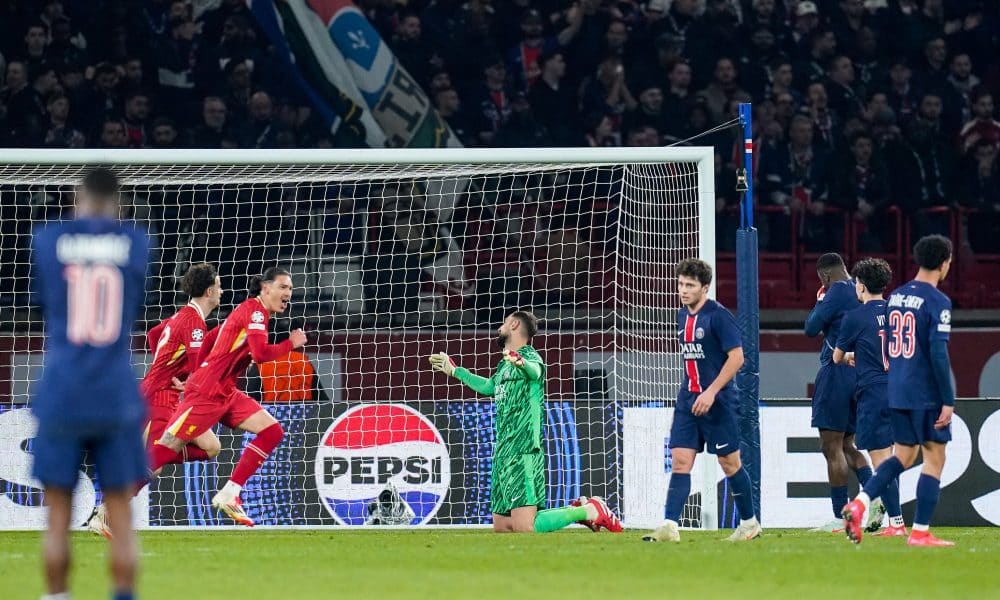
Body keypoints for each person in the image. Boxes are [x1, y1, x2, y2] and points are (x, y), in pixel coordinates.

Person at [31, 168, 149, 600]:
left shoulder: (47, 240)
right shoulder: (137, 243)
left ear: (77, 196)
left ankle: (58, 597)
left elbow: (45, 304)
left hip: (63, 390)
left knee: (58, 514)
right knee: (119, 510)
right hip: (116, 393)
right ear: (118, 201)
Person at [428, 311, 622, 534]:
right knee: (502, 527)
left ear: (514, 324)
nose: (499, 327)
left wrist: (521, 362)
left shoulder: (531, 357)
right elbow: (489, 387)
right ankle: (575, 509)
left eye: (503, 322)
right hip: (503, 450)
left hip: (524, 448)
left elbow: (535, 371)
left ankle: (590, 510)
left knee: (525, 527)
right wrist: (456, 371)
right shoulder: (504, 365)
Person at [147, 267, 307, 526]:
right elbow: (261, 354)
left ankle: (230, 493)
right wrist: (291, 343)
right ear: (266, 288)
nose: (288, 292)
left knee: (272, 431)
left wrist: (198, 371)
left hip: (225, 390)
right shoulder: (254, 311)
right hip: (207, 392)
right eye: (283, 287)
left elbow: (213, 337)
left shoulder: (248, 311)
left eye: (290, 288)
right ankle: (111, 504)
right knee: (166, 450)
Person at [86, 262, 225, 538]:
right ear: (209, 291)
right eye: (219, 286)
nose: (222, 291)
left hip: (163, 392)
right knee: (156, 464)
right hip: (161, 396)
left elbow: (153, 335)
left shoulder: (180, 317)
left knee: (211, 446)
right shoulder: (195, 324)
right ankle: (105, 512)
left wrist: (168, 366)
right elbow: (200, 366)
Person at [843, 235, 957, 547]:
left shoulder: (897, 297)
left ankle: (861, 502)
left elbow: (892, 347)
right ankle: (920, 531)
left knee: (902, 456)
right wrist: (947, 399)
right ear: (945, 262)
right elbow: (937, 353)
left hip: (897, 389)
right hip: (925, 392)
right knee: (935, 458)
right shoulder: (938, 302)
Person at [642, 259, 761, 543]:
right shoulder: (682, 316)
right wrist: (696, 393)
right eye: (681, 284)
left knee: (729, 463)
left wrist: (711, 392)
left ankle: (749, 523)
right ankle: (670, 526)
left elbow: (737, 358)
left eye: (690, 285)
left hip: (718, 402)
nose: (683, 290)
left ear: (705, 287)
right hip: (688, 400)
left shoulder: (718, 316)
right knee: (681, 460)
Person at [832, 258, 906, 537]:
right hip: (900, 390)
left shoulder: (855, 316)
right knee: (891, 460)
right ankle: (894, 521)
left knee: (882, 462)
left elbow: (837, 356)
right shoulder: (897, 312)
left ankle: (896, 524)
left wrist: (853, 355)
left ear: (860, 285)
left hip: (873, 393)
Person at [804, 253, 876, 532]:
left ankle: (840, 517)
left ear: (824, 276)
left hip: (838, 371)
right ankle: (878, 499)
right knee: (848, 446)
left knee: (830, 447)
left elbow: (810, 328)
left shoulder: (834, 292)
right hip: (862, 374)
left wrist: (821, 300)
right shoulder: (861, 288)